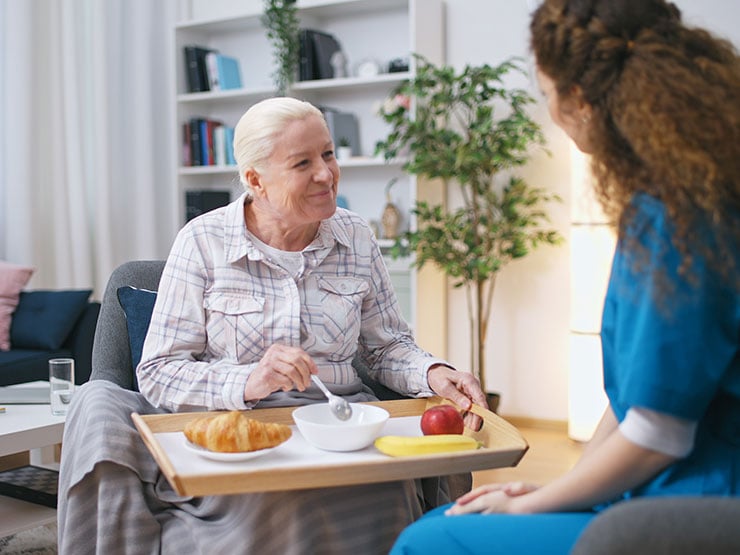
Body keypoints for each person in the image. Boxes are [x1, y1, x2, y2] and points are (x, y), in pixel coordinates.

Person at [56, 96, 486, 555]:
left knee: (372, 491)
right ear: (255, 180)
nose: (326, 173)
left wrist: (432, 373)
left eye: (328, 153)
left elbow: (385, 348)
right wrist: (249, 379)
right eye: (303, 163)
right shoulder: (202, 241)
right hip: (243, 438)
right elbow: (160, 371)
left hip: (339, 433)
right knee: (97, 400)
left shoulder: (356, 235)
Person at [390, 0, 740, 553]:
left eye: (545, 89)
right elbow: (636, 402)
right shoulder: (706, 185)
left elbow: (657, 432)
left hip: (692, 507)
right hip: (666, 492)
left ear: (579, 100)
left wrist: (529, 503)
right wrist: (564, 491)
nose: (547, 106)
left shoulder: (672, 217)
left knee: (430, 540)